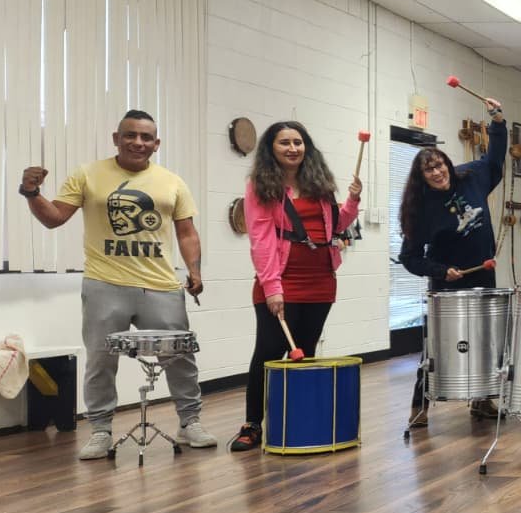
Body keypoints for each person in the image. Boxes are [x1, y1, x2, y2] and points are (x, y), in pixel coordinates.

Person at [19, 109, 216, 459]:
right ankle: (100, 430)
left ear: (156, 143)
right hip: (105, 283)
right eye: (130, 135)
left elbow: (187, 233)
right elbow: (54, 218)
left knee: (179, 356)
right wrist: (31, 192)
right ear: (116, 139)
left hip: (161, 285)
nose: (137, 142)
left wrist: (195, 271)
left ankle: (189, 423)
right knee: (100, 360)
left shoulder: (172, 182)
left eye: (145, 137)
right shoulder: (88, 174)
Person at [234, 121, 362, 452]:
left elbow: (336, 225)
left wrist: (352, 201)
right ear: (271, 148)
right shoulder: (261, 186)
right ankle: (252, 424)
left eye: (298, 142)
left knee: (305, 352)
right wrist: (272, 287)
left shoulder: (319, 183)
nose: (293, 148)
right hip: (282, 280)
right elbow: (261, 238)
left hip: (321, 280)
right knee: (268, 351)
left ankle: (296, 420)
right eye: (285, 142)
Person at [398, 98, 507, 425]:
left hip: (483, 275)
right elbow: (409, 258)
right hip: (447, 285)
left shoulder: (472, 176)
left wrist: (498, 122)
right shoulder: (421, 209)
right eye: (429, 170)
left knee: (485, 340)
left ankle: (482, 400)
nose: (437, 172)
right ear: (422, 177)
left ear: (447, 163)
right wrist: (441, 271)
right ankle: (420, 405)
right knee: (437, 347)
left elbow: (495, 157)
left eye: (439, 165)